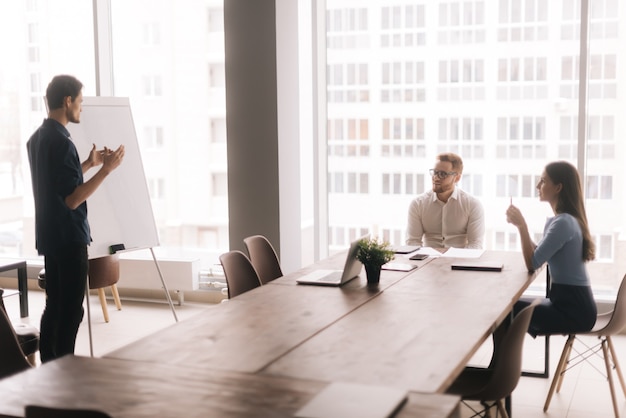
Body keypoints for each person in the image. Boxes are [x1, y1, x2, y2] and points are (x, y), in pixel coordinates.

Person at [27, 75, 125, 362]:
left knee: (54, 305)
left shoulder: (38, 139)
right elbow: (71, 199)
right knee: (71, 310)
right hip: (69, 238)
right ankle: (63, 368)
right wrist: (106, 170)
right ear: (67, 101)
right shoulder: (63, 143)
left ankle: (49, 366)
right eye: (80, 102)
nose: (81, 108)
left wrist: (88, 164)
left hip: (49, 235)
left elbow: (56, 186)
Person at [506, 161, 596, 337]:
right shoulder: (563, 221)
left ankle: (502, 364)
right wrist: (520, 226)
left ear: (558, 187)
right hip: (570, 304)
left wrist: (522, 226)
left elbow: (533, 262)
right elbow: (539, 254)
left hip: (573, 311)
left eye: (543, 181)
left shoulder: (563, 222)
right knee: (507, 308)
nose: (538, 185)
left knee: (504, 310)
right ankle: (502, 363)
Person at [406, 152, 484, 249]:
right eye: (435, 172)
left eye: (443, 174)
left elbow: (475, 245)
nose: (436, 178)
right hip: (428, 261)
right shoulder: (418, 204)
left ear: (457, 177)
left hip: (459, 260)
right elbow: (413, 242)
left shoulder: (472, 204)